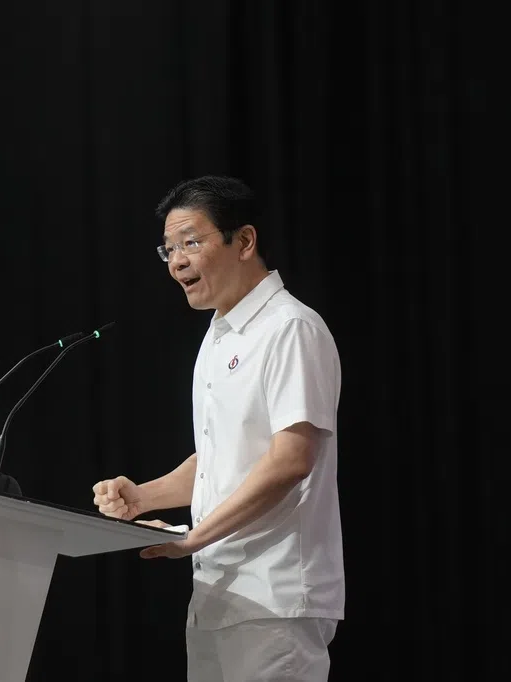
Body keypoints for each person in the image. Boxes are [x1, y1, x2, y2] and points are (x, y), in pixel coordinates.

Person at [92, 176, 345, 682]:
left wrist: (194, 538)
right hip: (217, 595)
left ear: (244, 241)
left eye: (190, 242)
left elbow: (291, 460)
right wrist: (142, 497)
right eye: (168, 250)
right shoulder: (219, 336)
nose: (176, 262)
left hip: (274, 599)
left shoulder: (289, 328)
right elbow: (220, 458)